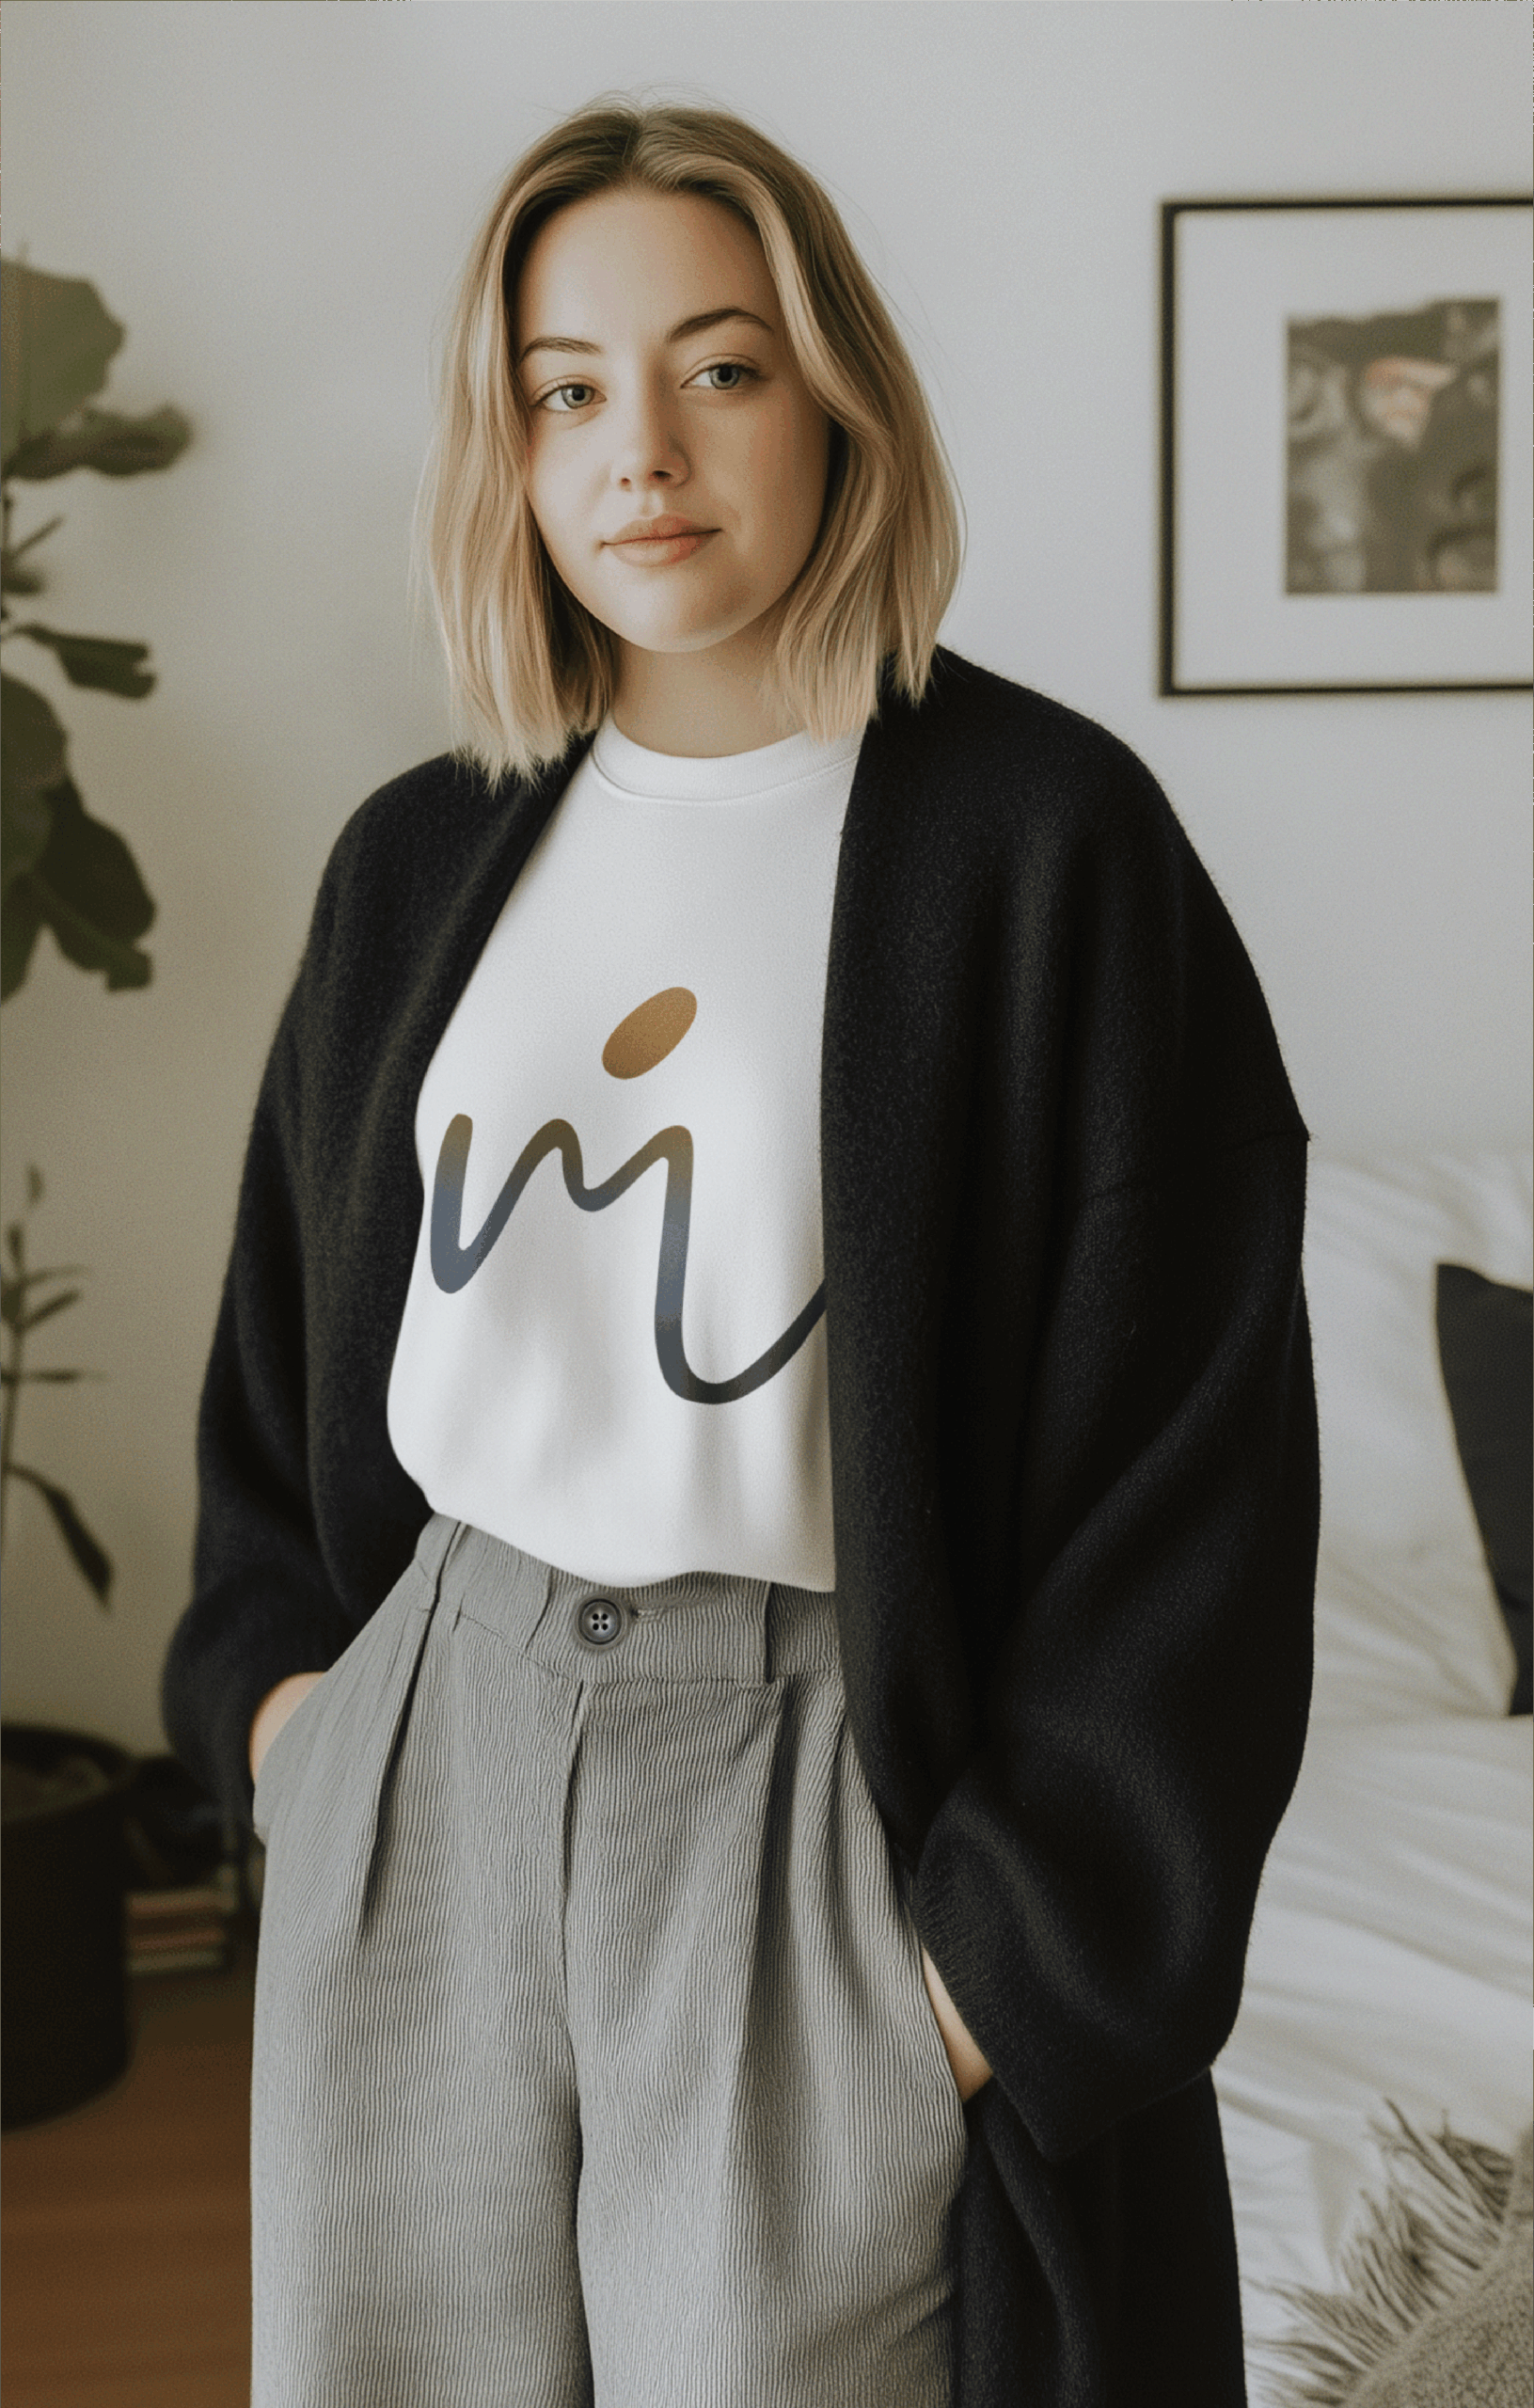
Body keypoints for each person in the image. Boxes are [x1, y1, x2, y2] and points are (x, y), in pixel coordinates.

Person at [161, 94, 1319, 2408]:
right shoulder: (419, 855)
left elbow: (1188, 1464)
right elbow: (285, 1359)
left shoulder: (1044, 851)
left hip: (810, 1786)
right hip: (429, 1751)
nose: (642, 451)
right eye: (565, 390)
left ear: (835, 397)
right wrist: (285, 1717)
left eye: (718, 366)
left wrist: (993, 1972)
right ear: (503, 445)